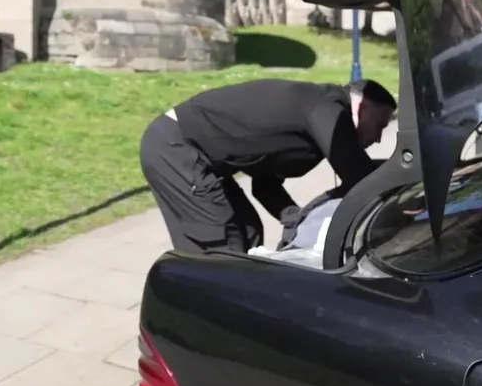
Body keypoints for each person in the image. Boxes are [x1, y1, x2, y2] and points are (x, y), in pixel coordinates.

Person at [139, 78, 397, 254]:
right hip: (177, 147)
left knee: (249, 232)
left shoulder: (320, 123)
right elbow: (355, 171)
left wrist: (294, 218)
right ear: (362, 107)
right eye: (379, 126)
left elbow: (264, 184)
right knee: (222, 244)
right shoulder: (326, 105)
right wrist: (397, 197)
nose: (378, 138)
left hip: (202, 158)